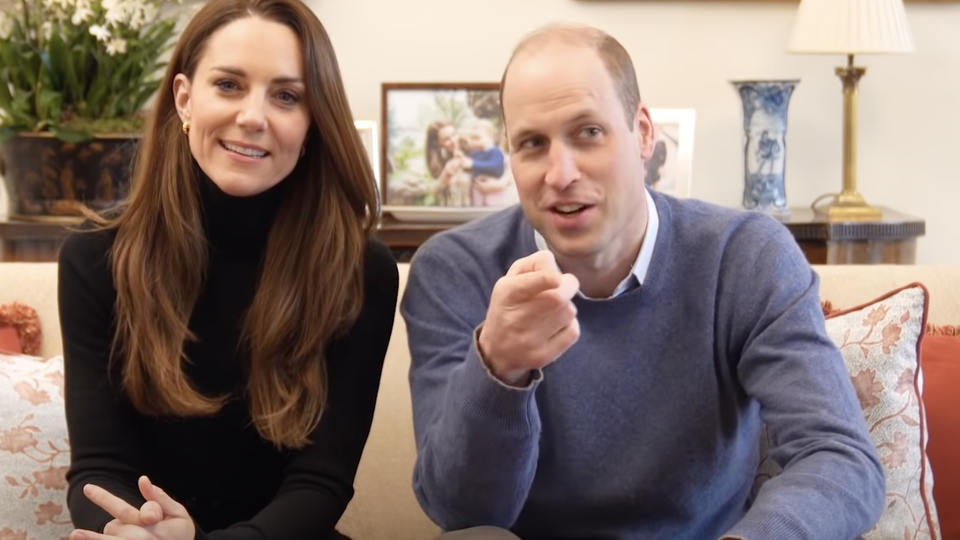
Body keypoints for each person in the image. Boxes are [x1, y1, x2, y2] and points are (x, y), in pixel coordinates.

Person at [401, 22, 885, 540]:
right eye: (533, 143)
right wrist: (499, 368)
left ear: (644, 134)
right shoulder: (454, 270)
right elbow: (460, 511)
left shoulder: (744, 256)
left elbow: (838, 457)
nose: (560, 174)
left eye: (588, 132)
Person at [57, 0, 399, 538]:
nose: (253, 117)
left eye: (286, 96)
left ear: (312, 122)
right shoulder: (94, 256)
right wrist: (135, 529)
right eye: (229, 85)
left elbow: (321, 482)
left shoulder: (360, 269)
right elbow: (100, 469)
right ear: (184, 98)